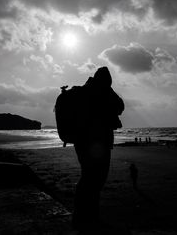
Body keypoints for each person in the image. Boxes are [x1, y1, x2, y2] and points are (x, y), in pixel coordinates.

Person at [72, 66, 124, 230]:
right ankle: (89, 218)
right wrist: (109, 89)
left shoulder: (82, 92)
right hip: (98, 143)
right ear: (107, 81)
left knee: (87, 177)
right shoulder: (103, 92)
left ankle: (81, 216)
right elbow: (120, 106)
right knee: (96, 179)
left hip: (81, 142)